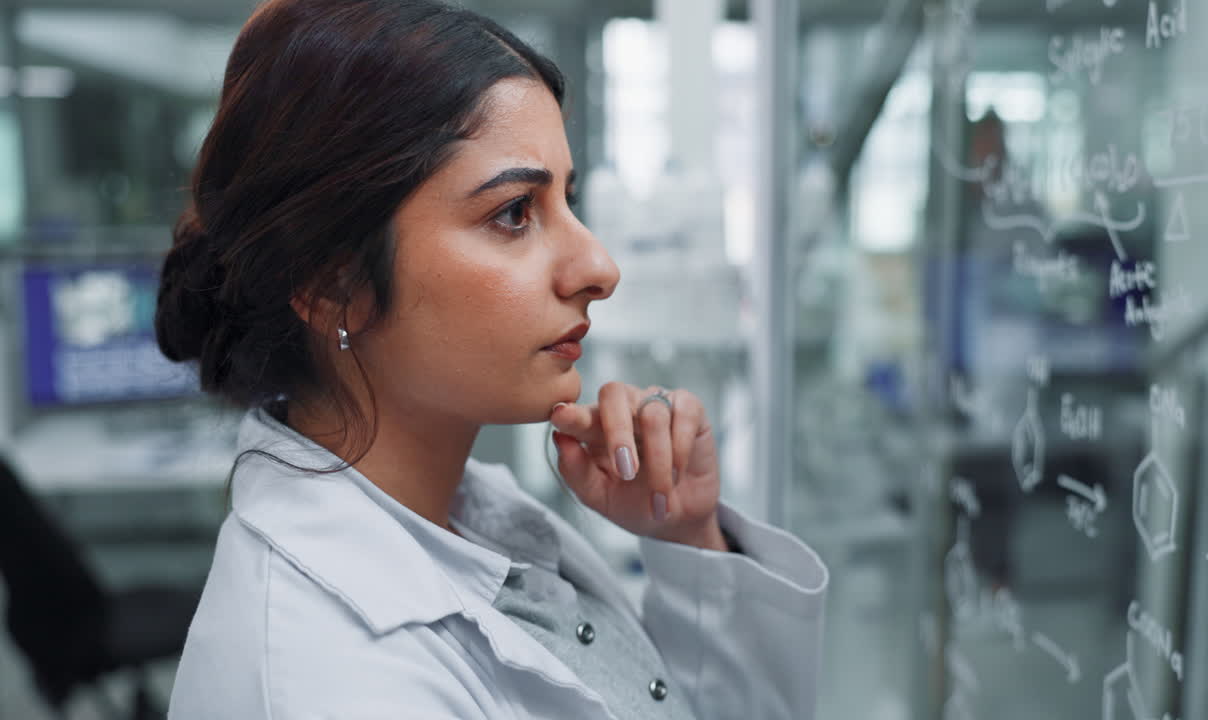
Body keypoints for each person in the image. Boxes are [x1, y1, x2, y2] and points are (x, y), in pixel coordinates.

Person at [158, 1, 829, 718]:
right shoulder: (333, 679)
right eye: (514, 213)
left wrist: (686, 533)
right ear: (330, 286)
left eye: (567, 199)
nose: (599, 266)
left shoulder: (464, 521)